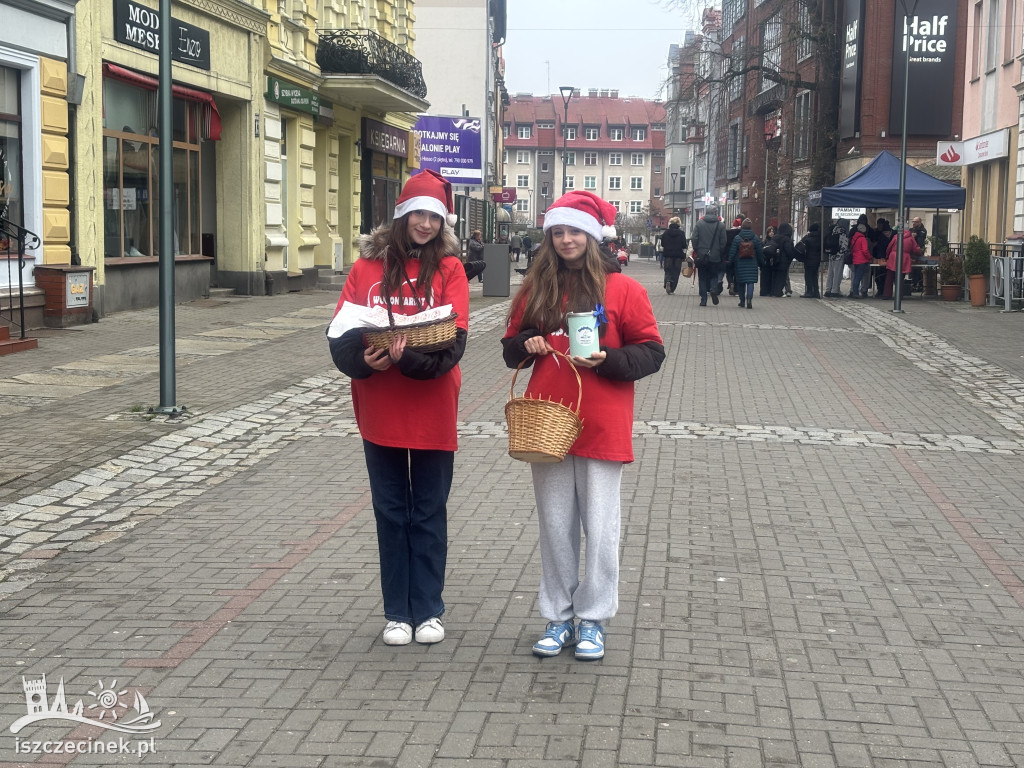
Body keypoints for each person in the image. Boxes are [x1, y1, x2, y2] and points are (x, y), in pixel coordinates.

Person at [501, 190, 665, 661]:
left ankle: (592, 618)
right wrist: (528, 342)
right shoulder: (537, 288)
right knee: (555, 527)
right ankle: (558, 616)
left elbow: (651, 352)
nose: (566, 239)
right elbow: (510, 347)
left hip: (602, 422)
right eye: (558, 232)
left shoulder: (624, 290)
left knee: (600, 526)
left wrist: (609, 359)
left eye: (574, 231)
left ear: (592, 237)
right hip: (547, 421)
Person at [327, 169, 469, 647]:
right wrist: (362, 361)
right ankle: (396, 613)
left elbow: (452, 348)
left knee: (428, 510)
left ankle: (428, 609)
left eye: (433, 216)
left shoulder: (450, 270)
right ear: (401, 215)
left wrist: (403, 356)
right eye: (417, 214)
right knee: (390, 511)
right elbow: (341, 334)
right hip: (380, 410)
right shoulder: (366, 268)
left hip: (432, 409)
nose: (425, 224)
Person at [690, 205, 727, 306]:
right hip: (715, 256)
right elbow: (723, 242)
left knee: (702, 277)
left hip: (702, 256)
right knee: (714, 275)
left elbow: (694, 238)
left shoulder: (699, 224)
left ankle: (703, 300)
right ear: (715, 213)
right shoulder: (721, 225)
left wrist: (698, 250)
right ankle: (713, 289)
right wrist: (720, 252)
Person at [728, 219, 764, 309]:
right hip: (752, 263)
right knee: (750, 282)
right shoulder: (755, 238)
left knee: (741, 283)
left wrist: (729, 261)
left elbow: (732, 251)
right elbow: (760, 252)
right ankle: (749, 300)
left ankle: (742, 301)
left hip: (740, 263)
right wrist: (762, 262)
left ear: (742, 227)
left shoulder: (737, 238)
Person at [883, 226, 922, 298]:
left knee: (889, 277)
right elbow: (916, 249)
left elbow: (889, 247)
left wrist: (887, 256)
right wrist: (920, 254)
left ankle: (887, 295)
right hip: (904, 258)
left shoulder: (896, 236)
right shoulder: (911, 238)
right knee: (900, 278)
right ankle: (899, 295)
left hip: (893, 257)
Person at [660, 216, 688, 294]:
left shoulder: (666, 233)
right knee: (676, 272)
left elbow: (662, 244)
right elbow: (684, 245)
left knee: (668, 270)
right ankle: (672, 289)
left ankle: (668, 281)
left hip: (668, 255)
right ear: (679, 223)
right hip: (678, 255)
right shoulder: (681, 233)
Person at [823, 218, 849, 298]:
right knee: (837, 274)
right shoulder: (843, 231)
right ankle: (835, 291)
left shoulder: (833, 230)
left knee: (830, 273)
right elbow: (844, 244)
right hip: (839, 255)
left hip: (831, 254)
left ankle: (828, 289)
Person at [769, 223, 797, 298]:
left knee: (775, 276)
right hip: (783, 261)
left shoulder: (775, 237)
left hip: (775, 260)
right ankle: (778, 292)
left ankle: (773, 291)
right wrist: (790, 258)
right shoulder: (787, 239)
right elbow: (789, 251)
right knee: (782, 277)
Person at [849, 215, 872, 298]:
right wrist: (869, 257)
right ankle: (856, 293)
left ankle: (854, 291)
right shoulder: (863, 239)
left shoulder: (854, 238)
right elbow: (865, 250)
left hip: (855, 259)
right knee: (859, 277)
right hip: (862, 260)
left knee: (855, 276)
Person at [797, 222, 822, 298]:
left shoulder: (808, 239)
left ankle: (809, 291)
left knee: (808, 276)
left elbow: (801, 244)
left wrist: (807, 235)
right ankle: (816, 292)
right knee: (814, 276)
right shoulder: (820, 238)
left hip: (808, 259)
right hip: (817, 259)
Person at [872, 218, 893, 297]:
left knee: (884, 275)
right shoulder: (878, 233)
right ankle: (880, 290)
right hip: (879, 257)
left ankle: (883, 291)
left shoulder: (884, 234)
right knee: (878, 275)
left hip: (884, 257)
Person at [725, 216, 743, 295]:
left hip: (728, 255)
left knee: (729, 272)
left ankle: (730, 282)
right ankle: (736, 290)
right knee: (737, 273)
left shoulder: (728, 233)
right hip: (739, 256)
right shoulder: (742, 233)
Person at [760, 224, 777, 296]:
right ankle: (764, 291)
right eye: (770, 231)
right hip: (765, 262)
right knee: (764, 277)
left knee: (771, 277)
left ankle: (770, 291)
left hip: (772, 262)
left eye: (772, 231)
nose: (771, 233)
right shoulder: (764, 242)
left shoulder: (775, 241)